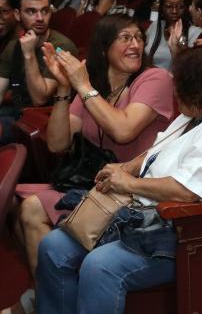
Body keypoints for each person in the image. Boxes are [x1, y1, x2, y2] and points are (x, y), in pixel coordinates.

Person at [34, 46, 202, 314]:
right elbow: (156, 152)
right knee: (52, 247)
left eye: (179, 85)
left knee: (98, 265)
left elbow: (185, 191)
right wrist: (123, 168)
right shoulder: (193, 116)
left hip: (178, 234)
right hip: (139, 215)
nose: (174, 91)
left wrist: (128, 183)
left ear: (199, 95)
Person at [14, 15, 175, 286]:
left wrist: (84, 86)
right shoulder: (95, 87)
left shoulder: (154, 79)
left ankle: (50, 298)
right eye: (125, 38)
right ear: (103, 48)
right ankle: (53, 296)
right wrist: (65, 89)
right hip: (95, 186)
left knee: (31, 209)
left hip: (134, 194)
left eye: (139, 38)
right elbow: (57, 143)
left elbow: (123, 130)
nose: (135, 44)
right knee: (22, 209)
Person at [0, 0, 78, 144]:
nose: (40, 18)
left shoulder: (62, 46)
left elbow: (40, 98)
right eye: (31, 11)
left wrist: (29, 54)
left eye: (45, 11)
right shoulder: (13, 46)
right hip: (18, 111)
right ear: (17, 15)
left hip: (45, 119)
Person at [144, 0, 202, 71]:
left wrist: (179, 44)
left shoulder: (196, 33)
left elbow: (191, 67)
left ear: (186, 8)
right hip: (151, 77)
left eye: (180, 7)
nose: (174, 11)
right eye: (168, 6)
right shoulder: (155, 26)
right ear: (162, 8)